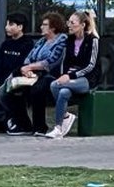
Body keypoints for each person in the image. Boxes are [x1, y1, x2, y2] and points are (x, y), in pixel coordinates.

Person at [0, 12, 66, 135]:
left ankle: (39, 127)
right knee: (9, 91)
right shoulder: (41, 41)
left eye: (45, 24)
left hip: (50, 75)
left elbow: (51, 62)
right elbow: (29, 58)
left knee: (36, 88)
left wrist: (29, 67)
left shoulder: (61, 40)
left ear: (53, 27)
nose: (41, 27)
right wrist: (27, 69)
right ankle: (22, 124)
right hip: (33, 74)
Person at [42, 11, 102, 139]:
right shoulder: (69, 40)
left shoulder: (93, 40)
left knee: (57, 85)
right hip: (71, 79)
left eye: (72, 22)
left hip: (87, 79)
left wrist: (71, 76)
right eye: (68, 22)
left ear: (82, 25)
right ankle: (61, 123)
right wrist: (64, 75)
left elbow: (91, 65)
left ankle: (62, 121)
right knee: (60, 89)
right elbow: (65, 62)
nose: (69, 25)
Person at [0, 13, 33, 88]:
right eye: (6, 24)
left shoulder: (28, 44)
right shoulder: (5, 44)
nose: (6, 27)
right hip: (0, 79)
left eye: (10, 24)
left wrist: (1, 81)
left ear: (20, 27)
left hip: (15, 80)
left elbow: (20, 67)